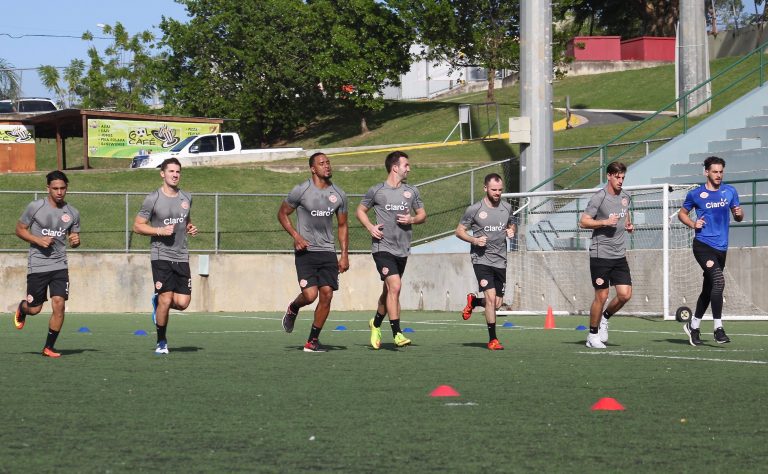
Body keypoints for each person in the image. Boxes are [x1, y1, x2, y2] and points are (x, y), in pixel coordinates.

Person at [278, 152, 349, 353]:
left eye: (328, 162)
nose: (327, 166)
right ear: (312, 168)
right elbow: (282, 213)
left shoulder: (339, 194)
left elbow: (343, 225)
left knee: (326, 295)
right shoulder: (301, 190)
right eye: (321, 163)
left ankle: (312, 341)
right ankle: (293, 308)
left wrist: (344, 254)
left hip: (327, 251)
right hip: (306, 251)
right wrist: (295, 235)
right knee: (310, 295)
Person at [357, 151, 427, 349]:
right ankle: (397, 333)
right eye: (406, 165)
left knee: (388, 291)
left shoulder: (411, 191)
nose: (409, 168)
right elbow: (360, 211)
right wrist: (371, 227)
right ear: (395, 167)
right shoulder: (377, 190)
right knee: (395, 286)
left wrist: (411, 219)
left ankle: (376, 323)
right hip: (382, 247)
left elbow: (422, 214)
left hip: (402, 249)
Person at [133, 157, 198, 355]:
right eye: (171, 171)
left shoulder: (186, 198)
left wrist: (190, 227)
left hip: (181, 255)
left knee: (183, 303)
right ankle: (162, 342)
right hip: (160, 254)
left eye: (178, 171)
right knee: (166, 298)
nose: (175, 175)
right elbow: (137, 226)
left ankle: (158, 302)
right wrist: (160, 231)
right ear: (163, 173)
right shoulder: (153, 199)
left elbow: (185, 220)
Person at [13, 170, 81, 358]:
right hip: (38, 265)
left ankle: (49, 347)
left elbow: (74, 238)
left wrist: (76, 241)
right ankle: (23, 308)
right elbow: (19, 230)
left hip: (60, 265)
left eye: (63, 188)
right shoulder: (35, 207)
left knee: (59, 304)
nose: (59, 192)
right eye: (55, 188)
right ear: (48, 189)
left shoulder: (72, 212)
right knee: (35, 309)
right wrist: (37, 240)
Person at [678, 156, 742, 346]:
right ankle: (718, 328)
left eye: (721, 172)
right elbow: (682, 213)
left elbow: (738, 215)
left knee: (709, 288)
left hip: (722, 248)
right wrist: (692, 223)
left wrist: (739, 214)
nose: (718, 175)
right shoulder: (696, 194)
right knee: (719, 281)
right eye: (715, 171)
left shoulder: (730, 191)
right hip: (703, 245)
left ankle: (693, 326)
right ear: (706, 172)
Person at [456, 173, 516, 350]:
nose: (497, 193)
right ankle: (493, 339)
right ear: (485, 189)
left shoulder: (506, 207)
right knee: (490, 298)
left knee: (496, 303)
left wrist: (511, 230)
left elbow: (512, 224)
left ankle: (474, 302)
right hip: (481, 259)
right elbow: (459, 231)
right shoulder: (474, 210)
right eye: (494, 190)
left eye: (500, 190)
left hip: (500, 259)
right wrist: (474, 240)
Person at [578, 162, 634, 349]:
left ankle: (605, 318)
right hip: (600, 254)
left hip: (619, 255)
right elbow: (583, 222)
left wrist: (628, 225)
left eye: (623, 177)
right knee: (601, 296)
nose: (620, 180)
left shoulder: (626, 197)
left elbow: (624, 214)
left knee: (625, 295)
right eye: (617, 177)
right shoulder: (599, 198)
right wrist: (604, 222)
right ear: (609, 176)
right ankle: (592, 336)